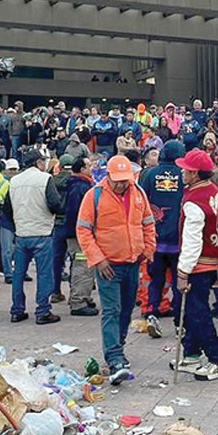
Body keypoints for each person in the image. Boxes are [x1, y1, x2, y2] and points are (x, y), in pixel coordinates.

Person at [76, 155, 157, 385]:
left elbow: (148, 223)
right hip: (108, 266)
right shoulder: (95, 196)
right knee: (111, 310)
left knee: (126, 309)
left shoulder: (138, 193)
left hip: (132, 263)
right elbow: (83, 230)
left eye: (126, 180)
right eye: (119, 180)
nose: (123, 184)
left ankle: (118, 349)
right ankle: (115, 359)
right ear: (108, 176)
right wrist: (98, 259)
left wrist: (148, 249)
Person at [170, 148, 218, 380]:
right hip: (213, 258)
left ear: (194, 174)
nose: (182, 172)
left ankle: (217, 359)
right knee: (195, 311)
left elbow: (192, 239)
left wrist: (183, 271)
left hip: (198, 264)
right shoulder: (217, 193)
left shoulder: (194, 200)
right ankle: (192, 354)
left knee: (197, 313)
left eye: (186, 169)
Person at [5, 146, 62, 325]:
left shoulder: (14, 181)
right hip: (42, 232)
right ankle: (43, 311)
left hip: (22, 233)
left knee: (18, 274)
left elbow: (7, 208)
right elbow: (54, 204)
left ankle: (17, 310)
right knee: (44, 273)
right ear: (38, 163)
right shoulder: (45, 179)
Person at [139, 139, 186, 333]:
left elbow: (140, 202)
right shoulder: (184, 176)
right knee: (178, 281)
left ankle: (152, 314)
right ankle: (178, 323)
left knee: (155, 279)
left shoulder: (149, 174)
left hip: (155, 238)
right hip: (178, 238)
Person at [61, 156, 98, 317]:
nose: (92, 168)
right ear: (82, 169)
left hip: (77, 233)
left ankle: (81, 295)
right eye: (89, 166)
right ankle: (79, 301)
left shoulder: (80, 185)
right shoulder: (80, 187)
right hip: (79, 234)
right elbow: (77, 213)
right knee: (82, 266)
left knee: (81, 265)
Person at [49, 154, 76, 303]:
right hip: (71, 224)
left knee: (56, 259)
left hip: (57, 224)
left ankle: (55, 291)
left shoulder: (52, 181)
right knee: (75, 259)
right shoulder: (75, 182)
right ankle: (74, 292)